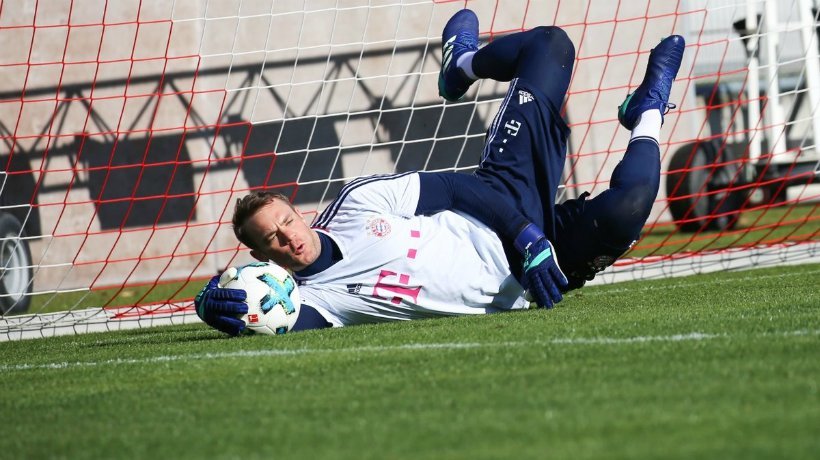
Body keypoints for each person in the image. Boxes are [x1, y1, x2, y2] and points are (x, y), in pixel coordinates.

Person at [194, 9, 685, 336]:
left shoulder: (356, 204)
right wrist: (212, 306)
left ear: (297, 214)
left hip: (504, 208)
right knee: (631, 206)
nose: (288, 237)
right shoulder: (316, 300)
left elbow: (454, 186)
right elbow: (254, 310)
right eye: (272, 240)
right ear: (261, 254)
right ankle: (648, 110)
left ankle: (462, 64)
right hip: (528, 281)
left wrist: (526, 234)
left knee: (552, 45)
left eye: (287, 222)